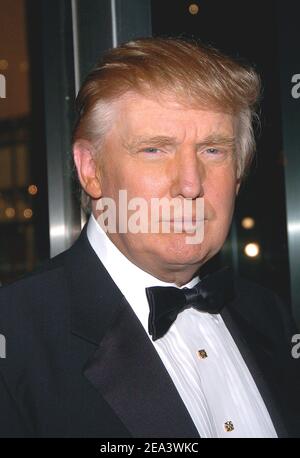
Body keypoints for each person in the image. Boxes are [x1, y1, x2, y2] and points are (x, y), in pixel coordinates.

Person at [0, 37, 299, 438]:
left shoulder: (270, 315)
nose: (191, 184)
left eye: (213, 150)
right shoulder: (16, 338)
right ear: (91, 170)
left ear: (240, 172)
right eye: (155, 150)